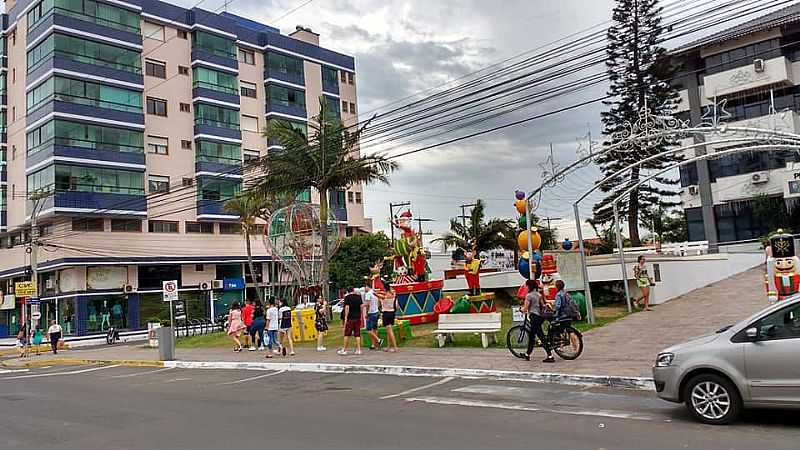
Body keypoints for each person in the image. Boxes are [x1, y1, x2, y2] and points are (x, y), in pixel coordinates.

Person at [521, 279, 554, 363]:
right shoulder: (538, 295)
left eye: (526, 286)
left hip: (534, 317)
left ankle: (550, 355)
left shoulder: (529, 296)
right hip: (540, 317)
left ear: (529, 286)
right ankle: (527, 354)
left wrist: (521, 310)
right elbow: (542, 305)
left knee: (540, 336)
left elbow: (525, 308)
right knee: (532, 336)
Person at [338, 287, 363, 355]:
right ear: (353, 290)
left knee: (347, 334)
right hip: (357, 317)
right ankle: (359, 349)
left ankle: (345, 349)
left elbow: (347, 307)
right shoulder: (358, 297)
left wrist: (345, 317)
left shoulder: (347, 298)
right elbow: (361, 307)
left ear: (348, 291)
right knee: (357, 334)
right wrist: (361, 315)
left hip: (350, 318)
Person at [380, 286, 399, 352]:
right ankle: (388, 346)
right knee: (388, 331)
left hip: (386, 313)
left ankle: (395, 347)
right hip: (392, 313)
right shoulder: (393, 295)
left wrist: (374, 291)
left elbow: (375, 294)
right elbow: (397, 306)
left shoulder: (385, 296)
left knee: (390, 331)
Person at [363, 283, 381, 350]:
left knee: (368, 329)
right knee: (375, 329)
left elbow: (367, 304)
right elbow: (379, 302)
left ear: (367, 286)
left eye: (365, 287)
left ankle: (378, 340)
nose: (365, 289)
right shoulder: (374, 292)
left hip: (371, 313)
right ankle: (374, 344)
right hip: (376, 312)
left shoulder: (368, 294)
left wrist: (366, 313)